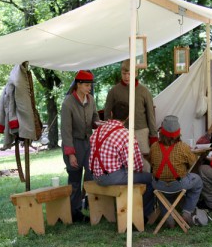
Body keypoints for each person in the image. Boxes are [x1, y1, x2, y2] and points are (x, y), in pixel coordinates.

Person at [89, 101, 154, 221]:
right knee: (151, 179)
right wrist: (139, 173)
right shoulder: (125, 134)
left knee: (129, 173)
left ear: (111, 113)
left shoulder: (98, 130)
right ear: (128, 117)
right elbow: (134, 164)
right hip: (111, 177)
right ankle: (141, 214)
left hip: (95, 175)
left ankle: (133, 209)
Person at [103, 59, 158, 171]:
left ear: (136, 74)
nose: (127, 77)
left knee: (144, 163)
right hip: (119, 133)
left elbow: (150, 115)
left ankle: (146, 187)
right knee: (122, 163)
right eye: (124, 74)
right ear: (121, 73)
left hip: (141, 131)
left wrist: (153, 136)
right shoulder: (113, 91)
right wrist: (108, 133)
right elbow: (107, 114)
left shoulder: (144, 91)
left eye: (130, 74)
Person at [60, 70, 100, 222]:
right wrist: (70, 154)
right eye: (87, 85)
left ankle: (91, 207)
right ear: (78, 85)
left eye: (90, 85)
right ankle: (74, 212)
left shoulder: (90, 100)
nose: (89, 88)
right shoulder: (68, 103)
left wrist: (99, 123)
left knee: (90, 176)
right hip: (74, 144)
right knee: (75, 179)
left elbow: (94, 117)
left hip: (88, 143)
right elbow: (66, 131)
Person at [149, 115, 203, 228]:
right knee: (197, 181)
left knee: (163, 192)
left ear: (161, 131)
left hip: (159, 185)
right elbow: (192, 163)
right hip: (178, 184)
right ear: (178, 132)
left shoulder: (154, 146)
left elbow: (152, 163)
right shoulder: (183, 147)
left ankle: (168, 218)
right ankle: (187, 212)